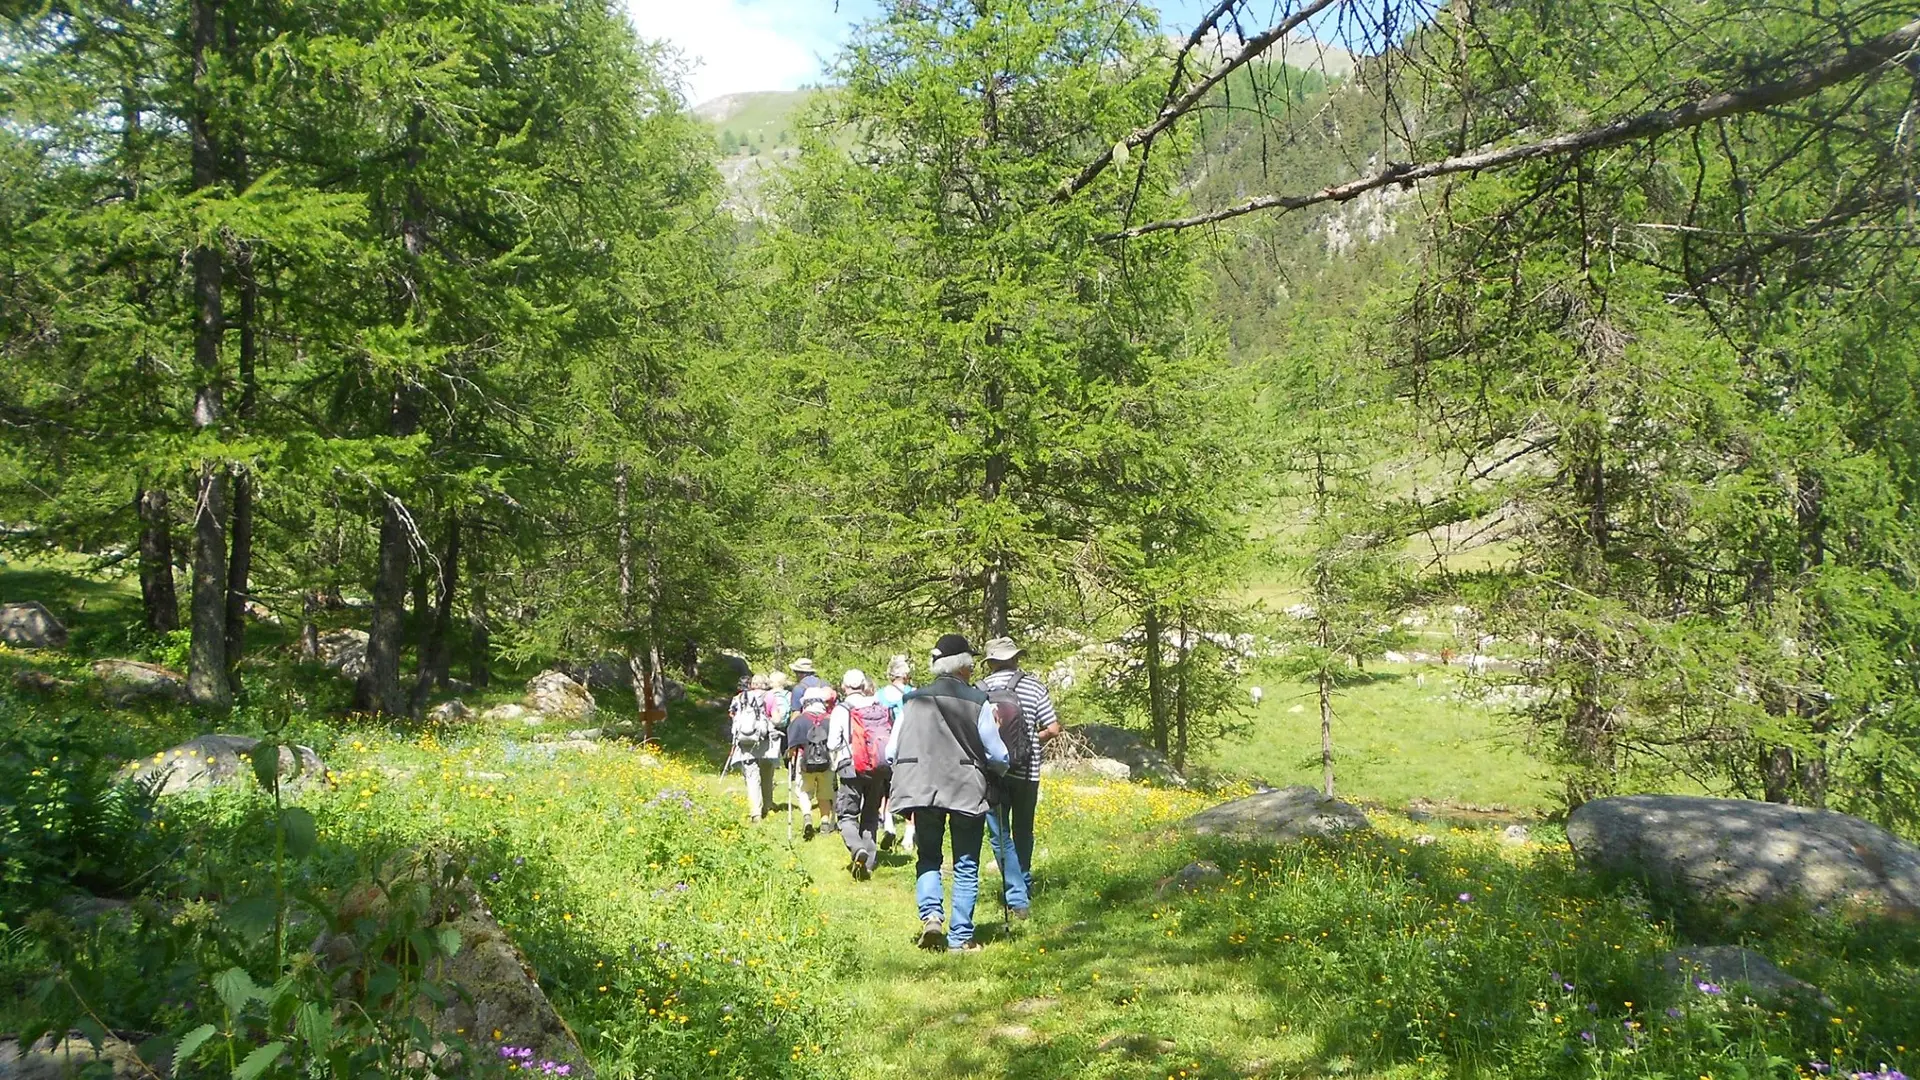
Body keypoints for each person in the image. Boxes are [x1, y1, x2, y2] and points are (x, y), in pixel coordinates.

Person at [886, 633, 1009, 952]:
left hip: (922, 789)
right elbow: (997, 755)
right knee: (966, 862)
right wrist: (1000, 771)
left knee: (928, 855)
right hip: (966, 789)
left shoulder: (911, 700)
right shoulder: (977, 701)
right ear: (965, 667)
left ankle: (931, 917)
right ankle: (961, 937)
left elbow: (890, 751)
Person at [979, 636, 1062, 918]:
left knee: (1000, 835)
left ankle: (1016, 896)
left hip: (994, 773)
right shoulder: (1034, 687)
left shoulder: (982, 689)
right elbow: (1053, 728)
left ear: (990, 662)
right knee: (1023, 830)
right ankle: (1023, 885)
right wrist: (1031, 740)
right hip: (1028, 771)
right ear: (1016, 658)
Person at [827, 669, 892, 880]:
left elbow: (832, 743)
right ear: (863, 686)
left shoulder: (842, 709)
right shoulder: (876, 707)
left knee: (847, 815)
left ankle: (857, 848)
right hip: (876, 768)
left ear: (844, 687)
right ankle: (870, 861)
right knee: (871, 815)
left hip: (851, 767)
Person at [785, 683, 836, 839]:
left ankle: (807, 816)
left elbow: (792, 747)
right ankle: (825, 822)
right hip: (826, 762)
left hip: (805, 762)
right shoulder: (830, 720)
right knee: (825, 793)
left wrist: (790, 761)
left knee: (804, 792)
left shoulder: (799, 721)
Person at [875, 655, 914, 850]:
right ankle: (909, 835)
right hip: (910, 745)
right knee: (911, 789)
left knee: (885, 787)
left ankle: (888, 825)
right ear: (906, 675)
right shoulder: (914, 694)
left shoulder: (879, 695)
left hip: (884, 745)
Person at [727, 675, 777, 820]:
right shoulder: (770, 696)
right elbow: (777, 718)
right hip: (765, 740)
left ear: (752, 684)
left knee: (751, 775)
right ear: (765, 684)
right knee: (767, 773)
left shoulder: (740, 697)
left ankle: (755, 811)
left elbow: (733, 714)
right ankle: (768, 804)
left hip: (745, 740)